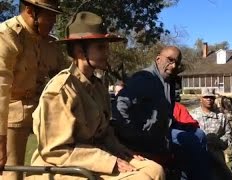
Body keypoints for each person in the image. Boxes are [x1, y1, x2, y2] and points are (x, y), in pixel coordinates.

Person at [27, 11, 164, 180]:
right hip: (60, 167)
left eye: (106, 46)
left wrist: (120, 151)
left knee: (155, 170)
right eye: (100, 47)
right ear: (79, 51)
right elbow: (55, 150)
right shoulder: (61, 90)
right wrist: (109, 161)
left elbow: (104, 132)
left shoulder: (98, 87)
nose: (107, 52)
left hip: (92, 159)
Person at [112, 46, 215, 179]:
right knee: (191, 142)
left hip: (164, 129)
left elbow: (165, 113)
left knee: (199, 134)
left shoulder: (168, 80)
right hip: (147, 136)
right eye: (170, 60)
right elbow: (120, 106)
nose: (173, 66)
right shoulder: (144, 79)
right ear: (158, 59)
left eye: (177, 63)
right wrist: (131, 134)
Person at [0, 0, 64, 179]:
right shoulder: (7, 36)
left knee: (55, 168)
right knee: (11, 172)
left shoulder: (50, 43)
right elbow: (1, 89)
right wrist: (0, 140)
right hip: (11, 115)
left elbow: (62, 78)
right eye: (49, 15)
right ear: (30, 11)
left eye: (55, 16)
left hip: (43, 112)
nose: (53, 22)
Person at [190, 87, 232, 164]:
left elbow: (228, 134)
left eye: (211, 97)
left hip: (217, 156)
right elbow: (187, 134)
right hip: (197, 156)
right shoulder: (192, 115)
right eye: (206, 97)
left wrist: (219, 142)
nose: (209, 99)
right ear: (200, 99)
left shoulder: (221, 116)